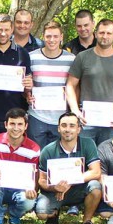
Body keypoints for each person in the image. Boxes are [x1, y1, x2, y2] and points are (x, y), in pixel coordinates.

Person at [34, 111, 104, 224]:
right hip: (56, 192)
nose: (68, 129)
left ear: (79, 129)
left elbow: (96, 172)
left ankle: (87, 222)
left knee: (95, 187)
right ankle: (54, 213)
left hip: (79, 189)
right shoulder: (48, 150)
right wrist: (55, 187)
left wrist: (70, 181)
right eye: (64, 125)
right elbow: (42, 180)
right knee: (42, 213)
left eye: (72, 126)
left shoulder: (88, 144)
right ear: (58, 129)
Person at [65, 19, 113, 144]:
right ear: (95, 34)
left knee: (108, 159)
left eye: (108, 33)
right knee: (85, 157)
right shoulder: (82, 57)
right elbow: (70, 86)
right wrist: (75, 110)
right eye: (101, 33)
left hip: (111, 122)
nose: (105, 36)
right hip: (86, 121)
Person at [0, 108, 41, 224]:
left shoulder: (34, 149)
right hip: (1, 187)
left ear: (26, 126)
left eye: (20, 124)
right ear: (6, 124)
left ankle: (14, 214)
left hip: (19, 189)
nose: (16, 128)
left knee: (29, 200)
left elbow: (32, 177)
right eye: (12, 123)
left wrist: (31, 189)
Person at [27, 21, 75, 149]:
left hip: (61, 119)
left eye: (55, 36)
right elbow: (26, 84)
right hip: (37, 117)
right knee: (36, 156)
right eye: (48, 36)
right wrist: (27, 95)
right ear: (43, 37)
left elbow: (75, 87)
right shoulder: (31, 57)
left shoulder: (71, 59)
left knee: (56, 159)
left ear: (61, 37)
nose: (52, 40)